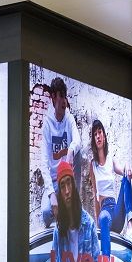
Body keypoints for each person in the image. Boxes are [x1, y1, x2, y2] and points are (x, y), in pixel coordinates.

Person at [38, 77, 82, 227]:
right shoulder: (47, 125)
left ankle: (75, 197)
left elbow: (77, 139)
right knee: (46, 213)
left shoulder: (69, 118)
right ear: (53, 97)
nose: (64, 101)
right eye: (61, 96)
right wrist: (51, 195)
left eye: (65, 96)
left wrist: (70, 151)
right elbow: (44, 162)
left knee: (78, 151)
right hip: (54, 180)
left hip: (68, 177)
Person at [89, 118, 132, 262]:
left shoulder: (111, 160)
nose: (98, 136)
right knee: (103, 218)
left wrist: (127, 166)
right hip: (105, 211)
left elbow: (123, 170)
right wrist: (98, 223)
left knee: (126, 177)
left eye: (100, 132)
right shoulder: (93, 165)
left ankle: (130, 224)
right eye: (95, 134)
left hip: (116, 211)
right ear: (94, 139)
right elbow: (95, 194)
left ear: (104, 135)